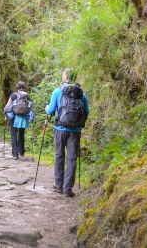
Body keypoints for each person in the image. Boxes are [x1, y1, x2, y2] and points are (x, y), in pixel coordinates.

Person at [45, 68, 89, 197]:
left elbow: (51, 110)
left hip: (60, 129)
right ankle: (68, 188)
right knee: (72, 158)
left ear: (65, 77)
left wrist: (47, 108)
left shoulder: (58, 91)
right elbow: (86, 112)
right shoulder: (81, 94)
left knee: (59, 155)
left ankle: (58, 184)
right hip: (75, 131)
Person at [4, 81, 33, 159]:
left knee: (14, 134)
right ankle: (21, 151)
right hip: (23, 117)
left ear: (17, 87)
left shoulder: (13, 95)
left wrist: (5, 113)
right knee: (21, 134)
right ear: (24, 87)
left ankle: (14, 154)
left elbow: (7, 105)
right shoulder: (27, 95)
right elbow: (30, 106)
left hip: (14, 117)